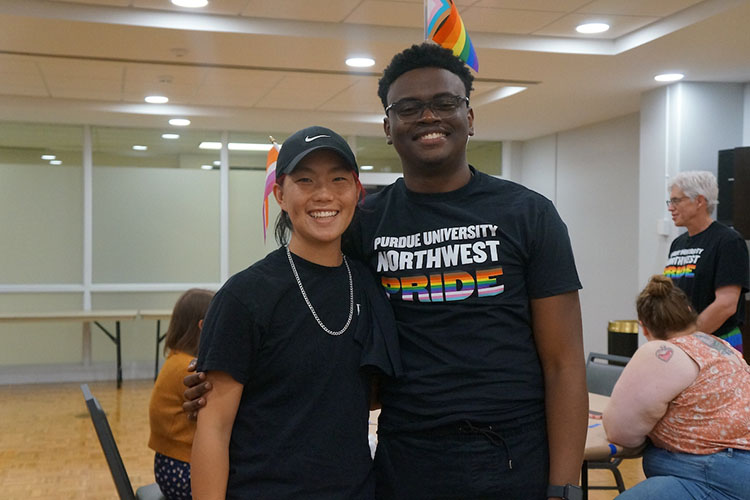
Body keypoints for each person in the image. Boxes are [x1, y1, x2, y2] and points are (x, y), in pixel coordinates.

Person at [185, 43, 587, 500]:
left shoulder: (529, 214)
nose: (428, 116)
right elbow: (312, 301)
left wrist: (565, 486)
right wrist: (220, 378)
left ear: (470, 117)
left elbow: (564, 362)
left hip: (511, 456)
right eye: (408, 108)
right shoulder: (366, 224)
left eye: (445, 103)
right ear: (388, 127)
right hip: (405, 459)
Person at [189, 126, 400, 500]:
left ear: (356, 192)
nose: (324, 194)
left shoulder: (367, 284)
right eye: (305, 180)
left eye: (339, 179)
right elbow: (213, 428)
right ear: (281, 195)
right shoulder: (244, 296)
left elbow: (361, 391)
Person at [603, 274, 750, 499]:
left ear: (644, 327)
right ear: (690, 311)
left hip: (716, 470)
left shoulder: (663, 352)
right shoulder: (720, 346)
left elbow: (620, 432)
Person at [663, 170, 749, 353]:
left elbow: (726, 304)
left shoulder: (728, 241)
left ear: (699, 201)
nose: (670, 207)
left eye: (676, 200)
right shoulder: (678, 244)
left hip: (719, 343)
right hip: (683, 343)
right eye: (670, 201)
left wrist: (689, 336)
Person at [148, 287, 214, 500]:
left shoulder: (175, 360)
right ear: (202, 327)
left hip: (170, 466)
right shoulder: (187, 369)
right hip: (183, 468)